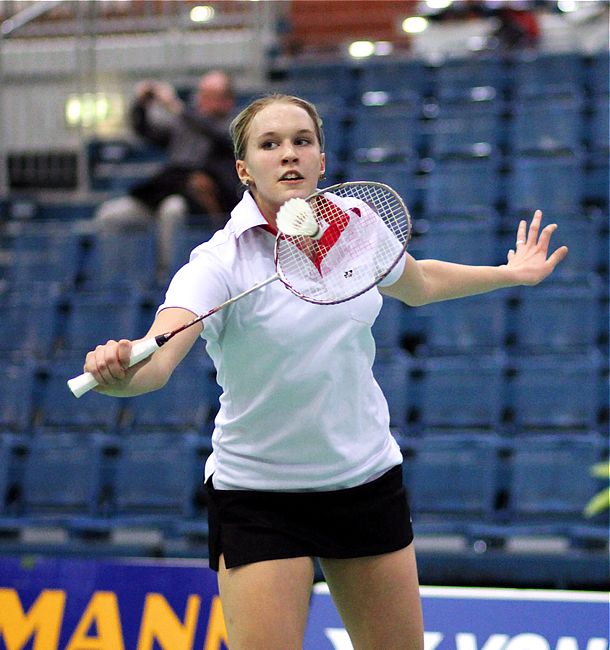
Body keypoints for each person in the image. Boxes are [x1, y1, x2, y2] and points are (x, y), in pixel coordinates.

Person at [81, 94, 568, 649]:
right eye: (270, 145)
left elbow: (421, 283)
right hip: (260, 493)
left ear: (321, 160)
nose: (288, 154)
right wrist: (123, 371)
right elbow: (159, 356)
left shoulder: (357, 225)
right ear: (244, 169)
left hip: (363, 480)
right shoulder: (218, 263)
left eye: (301, 141)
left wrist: (509, 273)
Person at [93, 70, 240, 278]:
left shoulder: (234, 126)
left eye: (211, 96)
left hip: (199, 203)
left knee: (172, 210)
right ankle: (111, 278)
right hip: (166, 189)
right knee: (110, 215)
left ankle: (167, 279)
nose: (203, 101)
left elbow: (217, 134)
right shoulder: (185, 125)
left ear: (227, 101)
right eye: (202, 95)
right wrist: (142, 105)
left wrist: (176, 106)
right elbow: (145, 131)